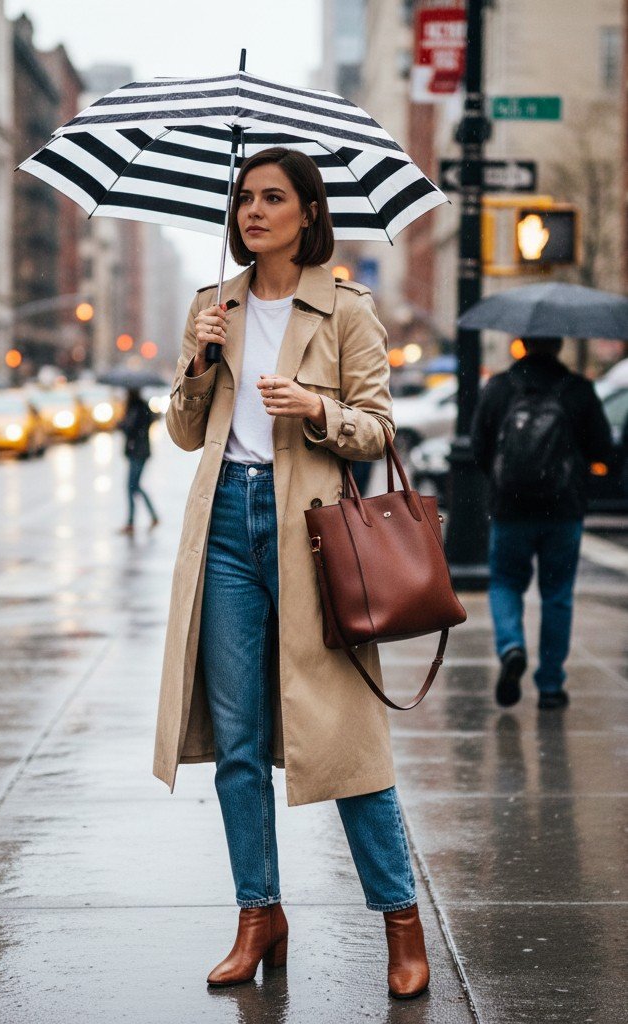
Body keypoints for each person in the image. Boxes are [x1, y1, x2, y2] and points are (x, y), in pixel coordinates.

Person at [153, 148, 430, 1000]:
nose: (252, 210)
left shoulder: (345, 308)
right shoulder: (214, 306)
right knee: (237, 746)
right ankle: (257, 915)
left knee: (344, 737)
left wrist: (316, 409)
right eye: (243, 197)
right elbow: (183, 432)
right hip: (226, 529)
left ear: (308, 212)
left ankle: (399, 920)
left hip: (311, 535)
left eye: (272, 197)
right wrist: (196, 367)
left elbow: (379, 429)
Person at [471, 337, 613, 710]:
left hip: (510, 510)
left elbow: (478, 448)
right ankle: (550, 685)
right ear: (560, 345)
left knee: (504, 583)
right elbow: (602, 449)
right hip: (563, 511)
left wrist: (504, 482)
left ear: (522, 343)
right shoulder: (578, 390)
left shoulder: (500, 387)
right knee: (557, 596)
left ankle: (511, 647)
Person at [119, 388, 158, 533]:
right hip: (139, 451)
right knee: (134, 486)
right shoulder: (141, 407)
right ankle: (152, 516)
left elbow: (130, 428)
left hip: (137, 452)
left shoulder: (136, 408)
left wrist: (122, 423)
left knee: (131, 487)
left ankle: (131, 522)